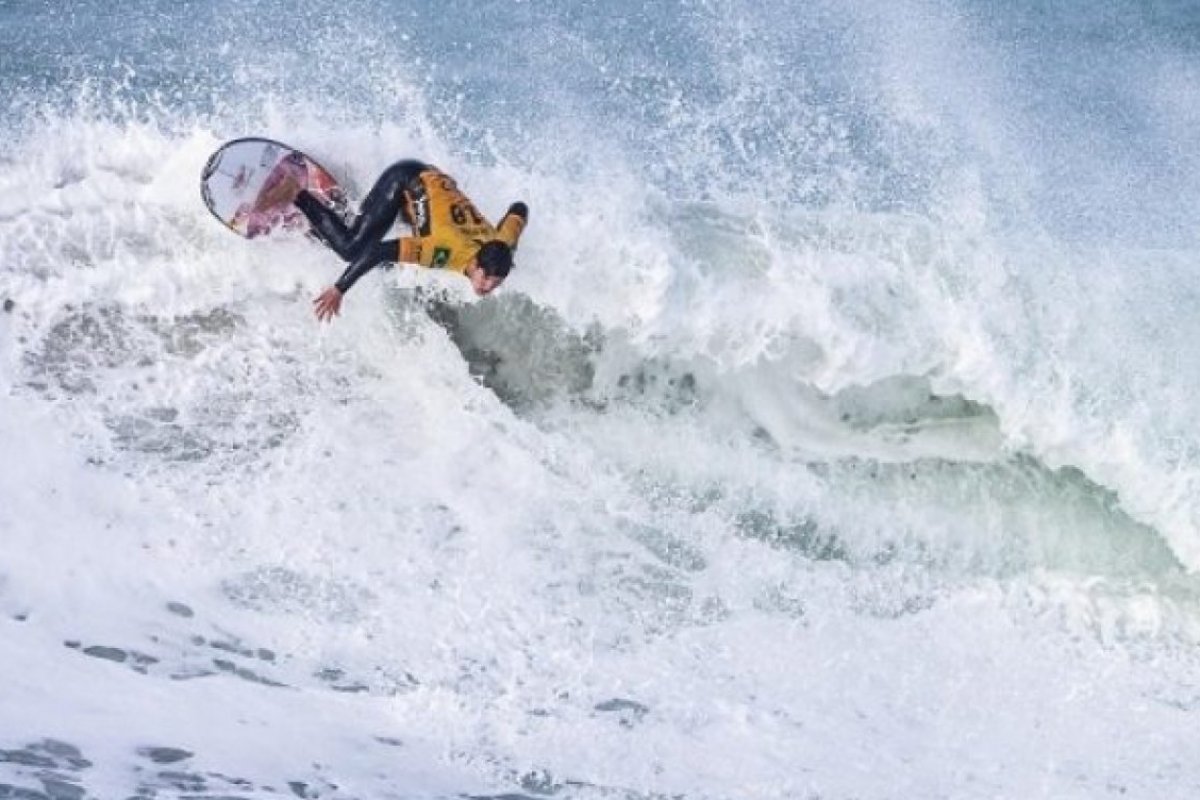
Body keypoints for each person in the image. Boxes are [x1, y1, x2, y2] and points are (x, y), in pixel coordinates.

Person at [281, 159, 528, 322]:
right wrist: (339, 288)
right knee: (352, 251)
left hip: (433, 186)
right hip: (406, 180)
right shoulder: (442, 250)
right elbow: (378, 251)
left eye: (495, 283)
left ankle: (332, 215)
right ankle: (295, 192)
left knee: (385, 264)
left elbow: (519, 208)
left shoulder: (503, 243)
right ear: (475, 263)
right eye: (485, 278)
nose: (487, 287)